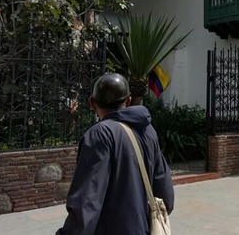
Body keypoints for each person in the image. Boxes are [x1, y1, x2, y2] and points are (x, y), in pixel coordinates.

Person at [57, 73, 174, 235]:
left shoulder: (100, 134)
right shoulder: (147, 130)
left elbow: (87, 201)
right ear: (128, 100)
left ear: (92, 102)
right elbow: (165, 192)